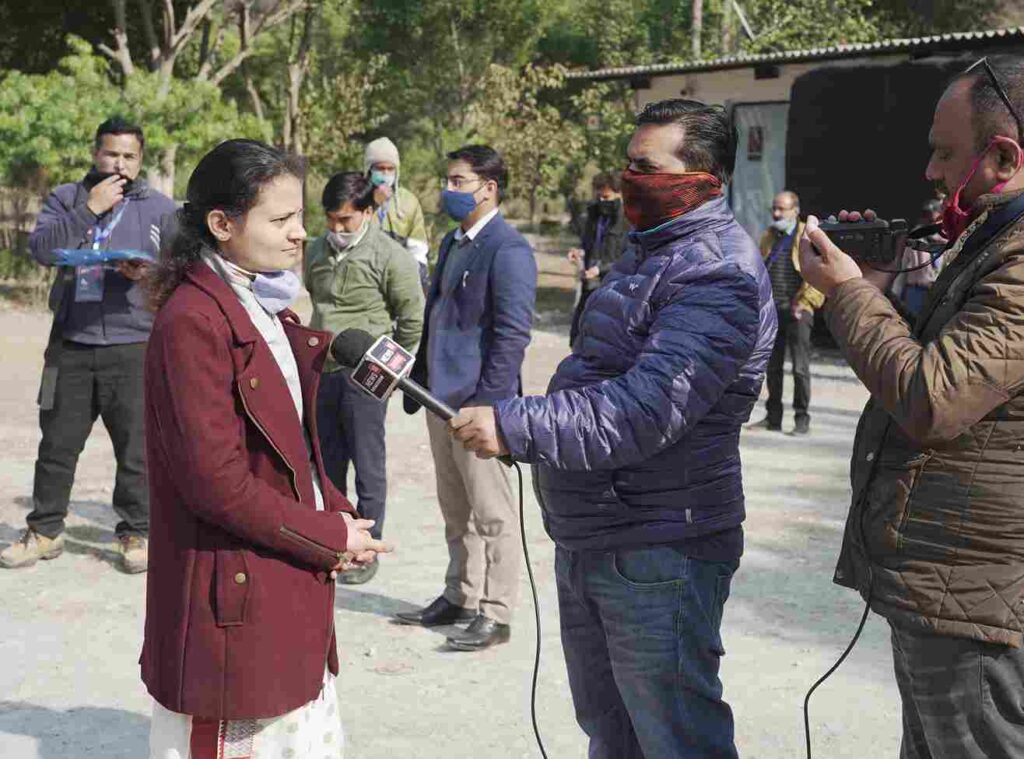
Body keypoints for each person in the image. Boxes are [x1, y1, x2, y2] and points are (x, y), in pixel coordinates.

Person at [451, 99, 777, 756]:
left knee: (676, 740)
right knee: (614, 735)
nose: (628, 177)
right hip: (599, 535)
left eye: (645, 166)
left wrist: (515, 426)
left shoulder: (718, 271)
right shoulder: (650, 249)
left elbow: (643, 409)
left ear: (704, 176)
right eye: (627, 162)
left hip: (662, 547)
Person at [797, 55, 1024, 757]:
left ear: (1005, 157)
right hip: (949, 587)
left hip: (975, 604)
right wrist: (883, 287)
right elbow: (937, 367)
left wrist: (846, 293)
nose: (930, 171)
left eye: (944, 152)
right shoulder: (992, 241)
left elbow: (933, 397)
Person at [141, 139, 389, 757]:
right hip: (232, 594)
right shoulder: (192, 323)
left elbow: (292, 451)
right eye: (280, 220)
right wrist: (328, 536)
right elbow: (215, 483)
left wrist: (334, 511)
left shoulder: (263, 304)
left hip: (276, 582)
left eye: (299, 217)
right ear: (222, 225)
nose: (300, 233)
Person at [0, 116, 176, 573]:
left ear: (141, 160)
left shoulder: (158, 208)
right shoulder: (67, 198)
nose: (119, 163)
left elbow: (181, 272)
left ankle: (137, 533)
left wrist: (148, 275)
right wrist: (90, 209)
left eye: (129, 156)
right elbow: (40, 250)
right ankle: (45, 530)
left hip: (134, 345)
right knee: (57, 444)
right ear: (95, 154)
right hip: (71, 343)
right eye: (111, 153)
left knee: (136, 448)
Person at [394, 145, 537, 652]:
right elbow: (439, 319)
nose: (448, 191)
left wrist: (489, 407)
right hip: (440, 401)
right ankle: (459, 595)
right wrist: (421, 381)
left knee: (493, 515)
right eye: (448, 181)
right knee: (455, 509)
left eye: (458, 182)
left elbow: (512, 336)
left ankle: (496, 614)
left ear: (488, 188)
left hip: (479, 408)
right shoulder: (455, 242)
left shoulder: (509, 249)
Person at [305, 171, 423, 584]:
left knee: (368, 465)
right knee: (326, 462)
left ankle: (368, 549)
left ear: (368, 213)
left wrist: (392, 370)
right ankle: (336, 541)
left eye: (346, 220)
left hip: (367, 375)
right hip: (323, 370)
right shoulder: (315, 250)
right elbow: (316, 299)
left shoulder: (391, 257)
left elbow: (411, 318)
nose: (337, 229)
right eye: (331, 220)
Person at [748, 190, 823, 434]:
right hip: (773, 310)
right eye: (775, 208)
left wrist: (806, 302)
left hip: (799, 310)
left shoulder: (808, 236)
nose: (777, 213)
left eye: (782, 209)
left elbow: (819, 274)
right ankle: (773, 418)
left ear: (795, 211)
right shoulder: (769, 236)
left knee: (800, 367)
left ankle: (802, 420)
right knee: (773, 366)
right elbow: (759, 269)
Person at [567, 172, 631, 345]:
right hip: (590, 284)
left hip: (614, 287)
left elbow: (629, 259)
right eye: (599, 196)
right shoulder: (594, 215)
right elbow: (587, 244)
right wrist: (579, 252)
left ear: (619, 194)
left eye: (606, 196)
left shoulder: (628, 221)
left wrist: (601, 269)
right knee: (578, 335)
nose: (602, 201)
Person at [364, 136, 431, 290]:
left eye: (390, 169)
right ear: (369, 169)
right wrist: (374, 204)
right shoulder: (355, 197)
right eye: (380, 168)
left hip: (399, 279)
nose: (386, 174)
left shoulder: (409, 202)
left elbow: (418, 250)